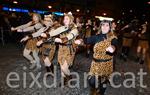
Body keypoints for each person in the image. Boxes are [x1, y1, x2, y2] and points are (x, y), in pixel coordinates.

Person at [75, 17, 118, 95]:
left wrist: (112, 48)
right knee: (91, 81)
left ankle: (101, 93)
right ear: (100, 26)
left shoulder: (113, 38)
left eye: (107, 25)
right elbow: (87, 40)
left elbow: (114, 44)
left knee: (103, 82)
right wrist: (80, 41)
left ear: (110, 27)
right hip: (95, 64)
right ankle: (95, 91)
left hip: (106, 64)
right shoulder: (97, 36)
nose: (104, 27)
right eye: (103, 25)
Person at [37, 12, 78, 85]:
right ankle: (64, 80)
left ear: (71, 20)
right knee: (62, 65)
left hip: (70, 50)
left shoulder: (75, 29)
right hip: (61, 49)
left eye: (67, 19)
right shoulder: (62, 27)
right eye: (64, 19)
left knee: (64, 68)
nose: (65, 20)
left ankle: (69, 77)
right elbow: (54, 32)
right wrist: (47, 35)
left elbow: (70, 36)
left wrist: (61, 40)